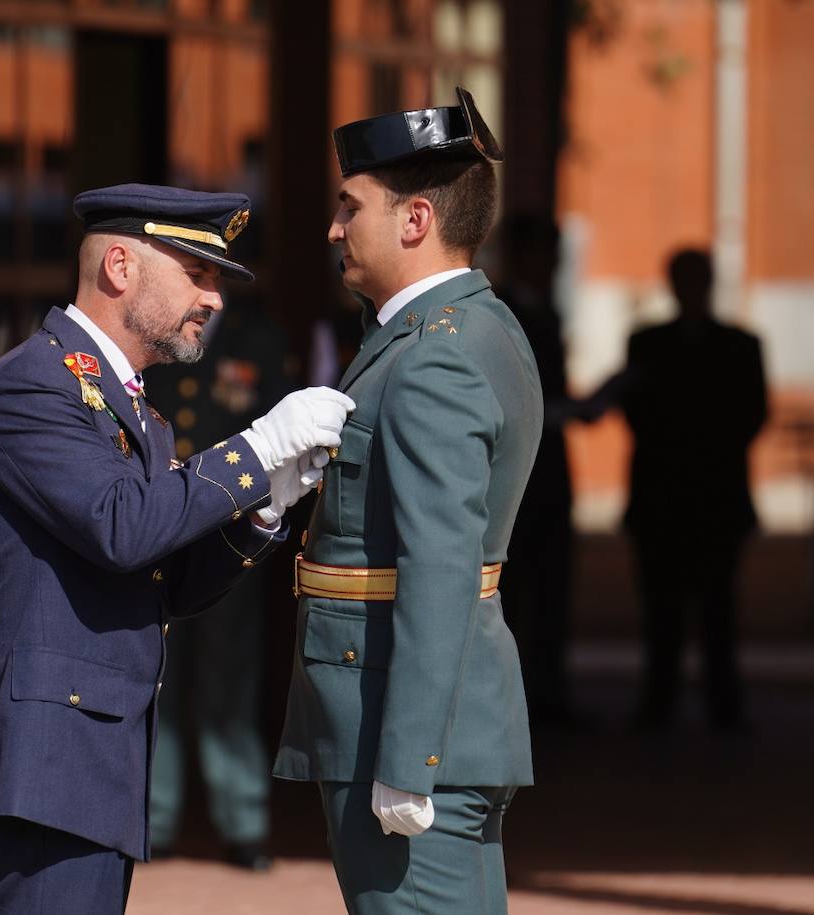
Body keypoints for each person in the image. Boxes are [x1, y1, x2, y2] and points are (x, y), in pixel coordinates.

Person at [0, 183, 354, 914]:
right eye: (197, 274)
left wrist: (262, 508)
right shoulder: (31, 386)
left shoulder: (135, 409)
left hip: (90, 766)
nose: (215, 298)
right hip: (46, 767)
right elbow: (123, 525)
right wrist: (257, 445)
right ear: (121, 267)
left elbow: (167, 581)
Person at [273, 89, 544, 914]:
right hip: (422, 715)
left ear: (415, 219)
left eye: (350, 206)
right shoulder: (470, 327)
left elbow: (441, 563)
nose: (334, 227)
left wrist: (410, 756)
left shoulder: (432, 359)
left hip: (402, 726)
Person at [589, 248, 767, 732]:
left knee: (716, 609)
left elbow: (751, 416)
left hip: (709, 500)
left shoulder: (733, 345)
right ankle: (664, 702)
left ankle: (718, 705)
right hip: (667, 501)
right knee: (663, 610)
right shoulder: (654, 344)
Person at [146, 304, 292, 870]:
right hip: (158, 530)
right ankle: (154, 819)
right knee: (159, 680)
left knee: (229, 685)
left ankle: (244, 822)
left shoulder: (258, 339)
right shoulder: (156, 333)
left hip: (231, 538)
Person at [494, 213, 581, 729]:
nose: (552, 266)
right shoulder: (502, 313)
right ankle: (519, 707)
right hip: (517, 480)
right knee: (515, 593)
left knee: (552, 590)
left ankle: (549, 698)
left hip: (550, 476)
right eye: (545, 255)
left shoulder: (546, 311)